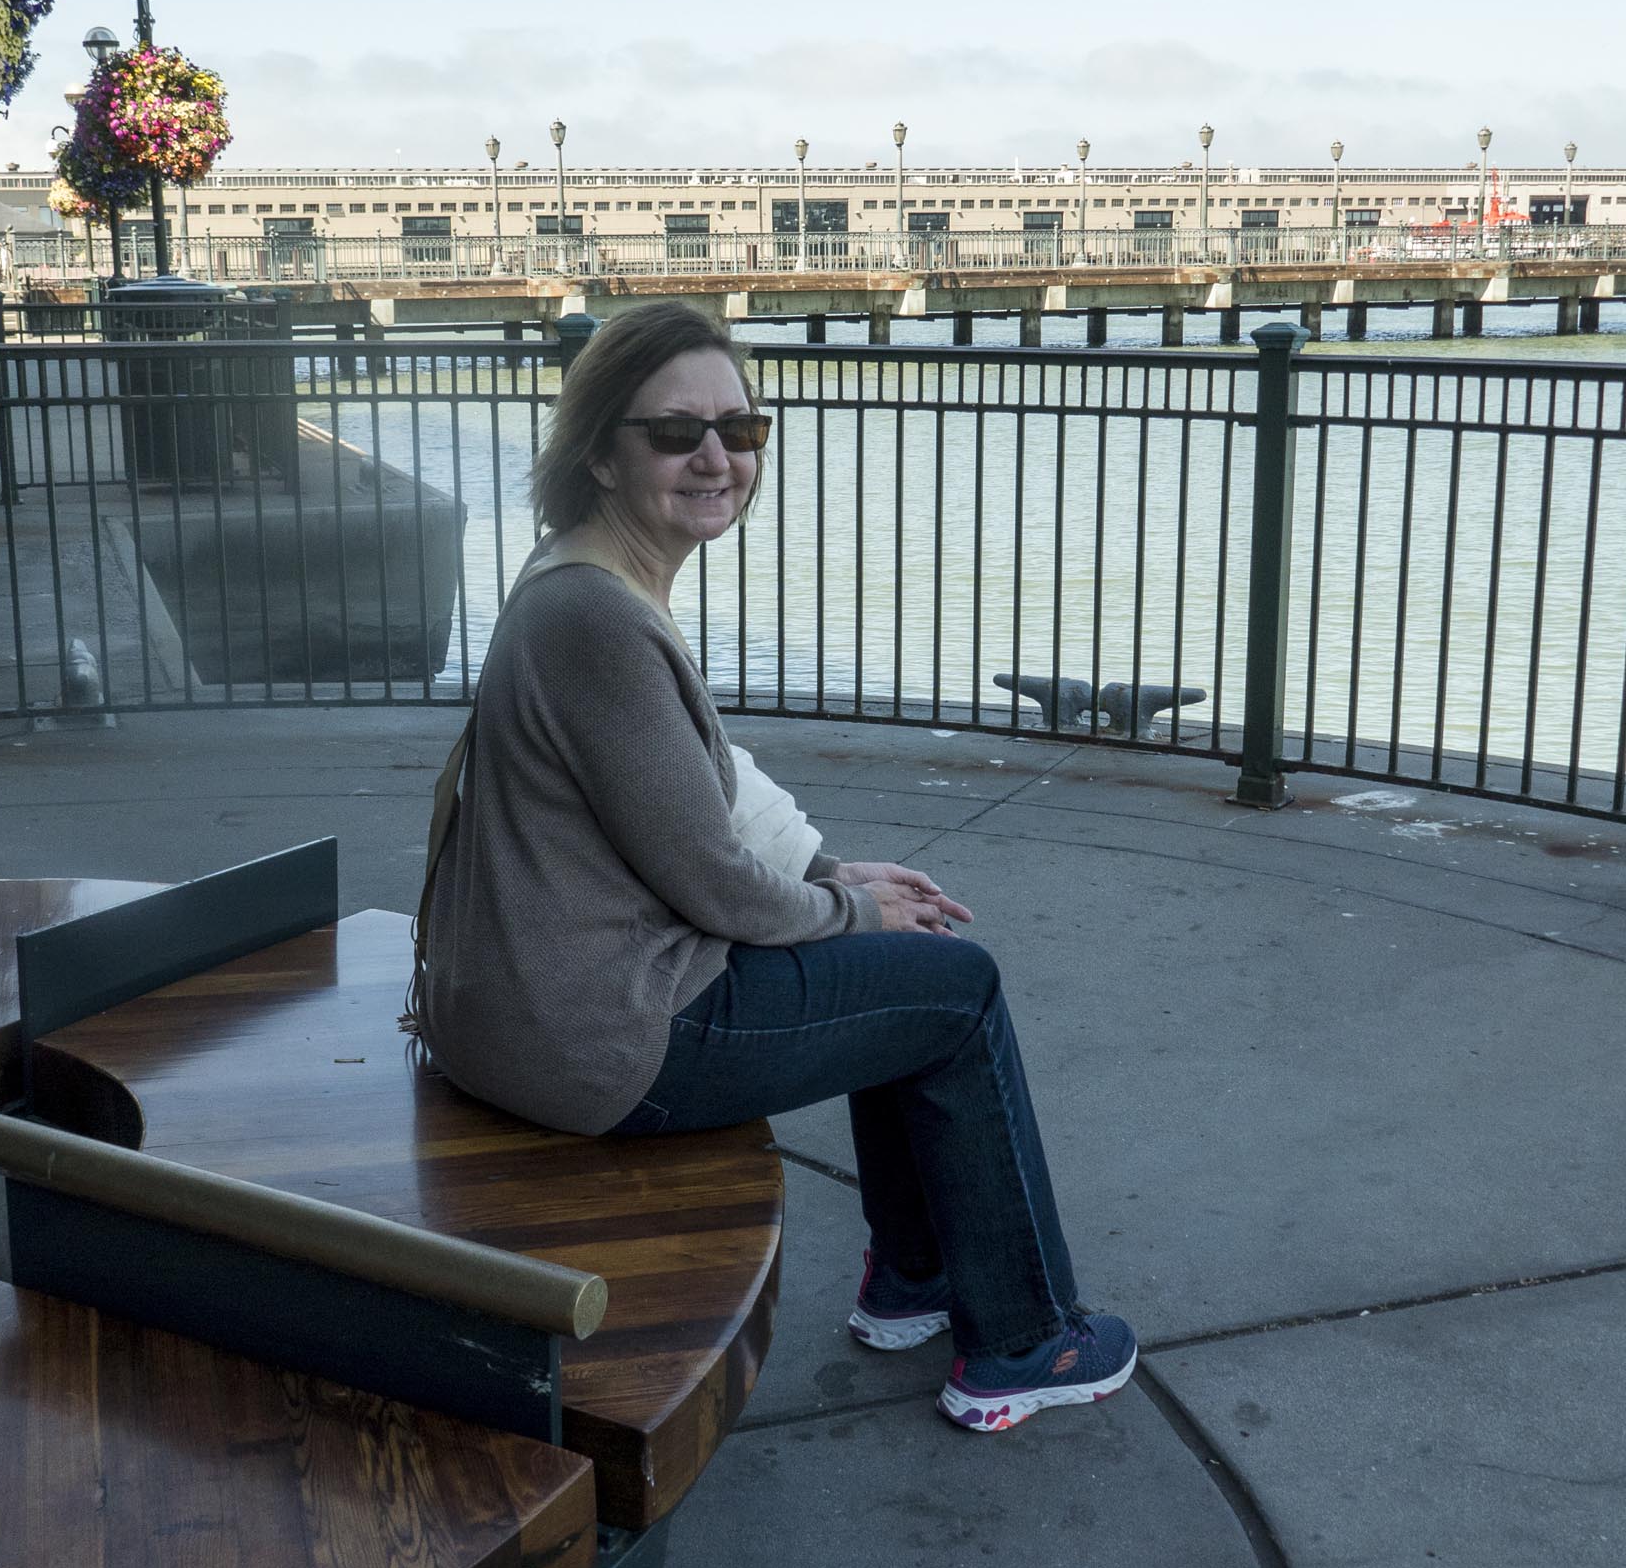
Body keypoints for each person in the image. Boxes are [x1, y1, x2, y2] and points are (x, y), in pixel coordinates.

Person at [415, 301, 1131, 1432]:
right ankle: (1022, 1339)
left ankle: (913, 1279)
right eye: (676, 434)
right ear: (600, 453)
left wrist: (841, 882)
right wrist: (850, 909)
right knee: (958, 987)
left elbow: (696, 796)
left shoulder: (579, 577)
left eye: (741, 429)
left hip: (537, 1014)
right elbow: (710, 878)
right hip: (604, 1042)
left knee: (901, 975)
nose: (718, 458)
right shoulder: (597, 619)